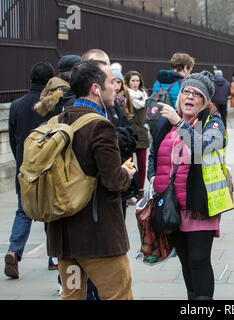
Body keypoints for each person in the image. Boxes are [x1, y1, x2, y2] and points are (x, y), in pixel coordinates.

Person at [46, 60, 136, 300]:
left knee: (73, 295)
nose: (115, 88)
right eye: (109, 83)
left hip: (65, 240)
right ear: (96, 88)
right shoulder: (100, 126)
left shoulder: (59, 120)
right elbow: (113, 181)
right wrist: (126, 173)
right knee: (118, 294)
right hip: (97, 240)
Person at [147, 71, 230, 300]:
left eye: (197, 94)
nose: (190, 97)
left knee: (198, 259)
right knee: (185, 260)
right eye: (186, 91)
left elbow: (204, 148)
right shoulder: (165, 123)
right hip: (171, 204)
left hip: (199, 203)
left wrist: (180, 123)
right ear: (180, 95)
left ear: (205, 101)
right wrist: (153, 178)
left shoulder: (213, 123)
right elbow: (153, 155)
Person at [5, 62, 55, 279]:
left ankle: (14, 251)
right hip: (49, 168)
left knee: (23, 211)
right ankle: (53, 257)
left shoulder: (16, 105)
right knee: (52, 212)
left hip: (24, 169)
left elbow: (12, 137)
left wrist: (21, 162)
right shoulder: (54, 105)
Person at [125, 70, 150, 199]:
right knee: (129, 164)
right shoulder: (125, 96)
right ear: (128, 82)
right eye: (133, 81)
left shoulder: (144, 95)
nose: (135, 83)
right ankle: (129, 190)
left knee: (142, 165)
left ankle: (140, 190)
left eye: (137, 80)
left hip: (142, 133)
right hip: (129, 134)